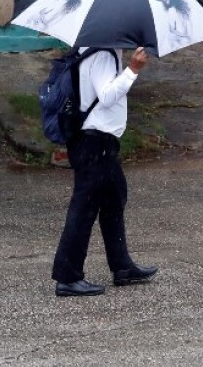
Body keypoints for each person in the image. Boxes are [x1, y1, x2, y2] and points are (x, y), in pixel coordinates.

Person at [51, 46, 158, 297]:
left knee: (114, 198)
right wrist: (133, 69)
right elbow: (108, 96)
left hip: (98, 142)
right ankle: (68, 277)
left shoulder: (100, 49)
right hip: (94, 143)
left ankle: (122, 267)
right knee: (83, 208)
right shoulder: (103, 54)